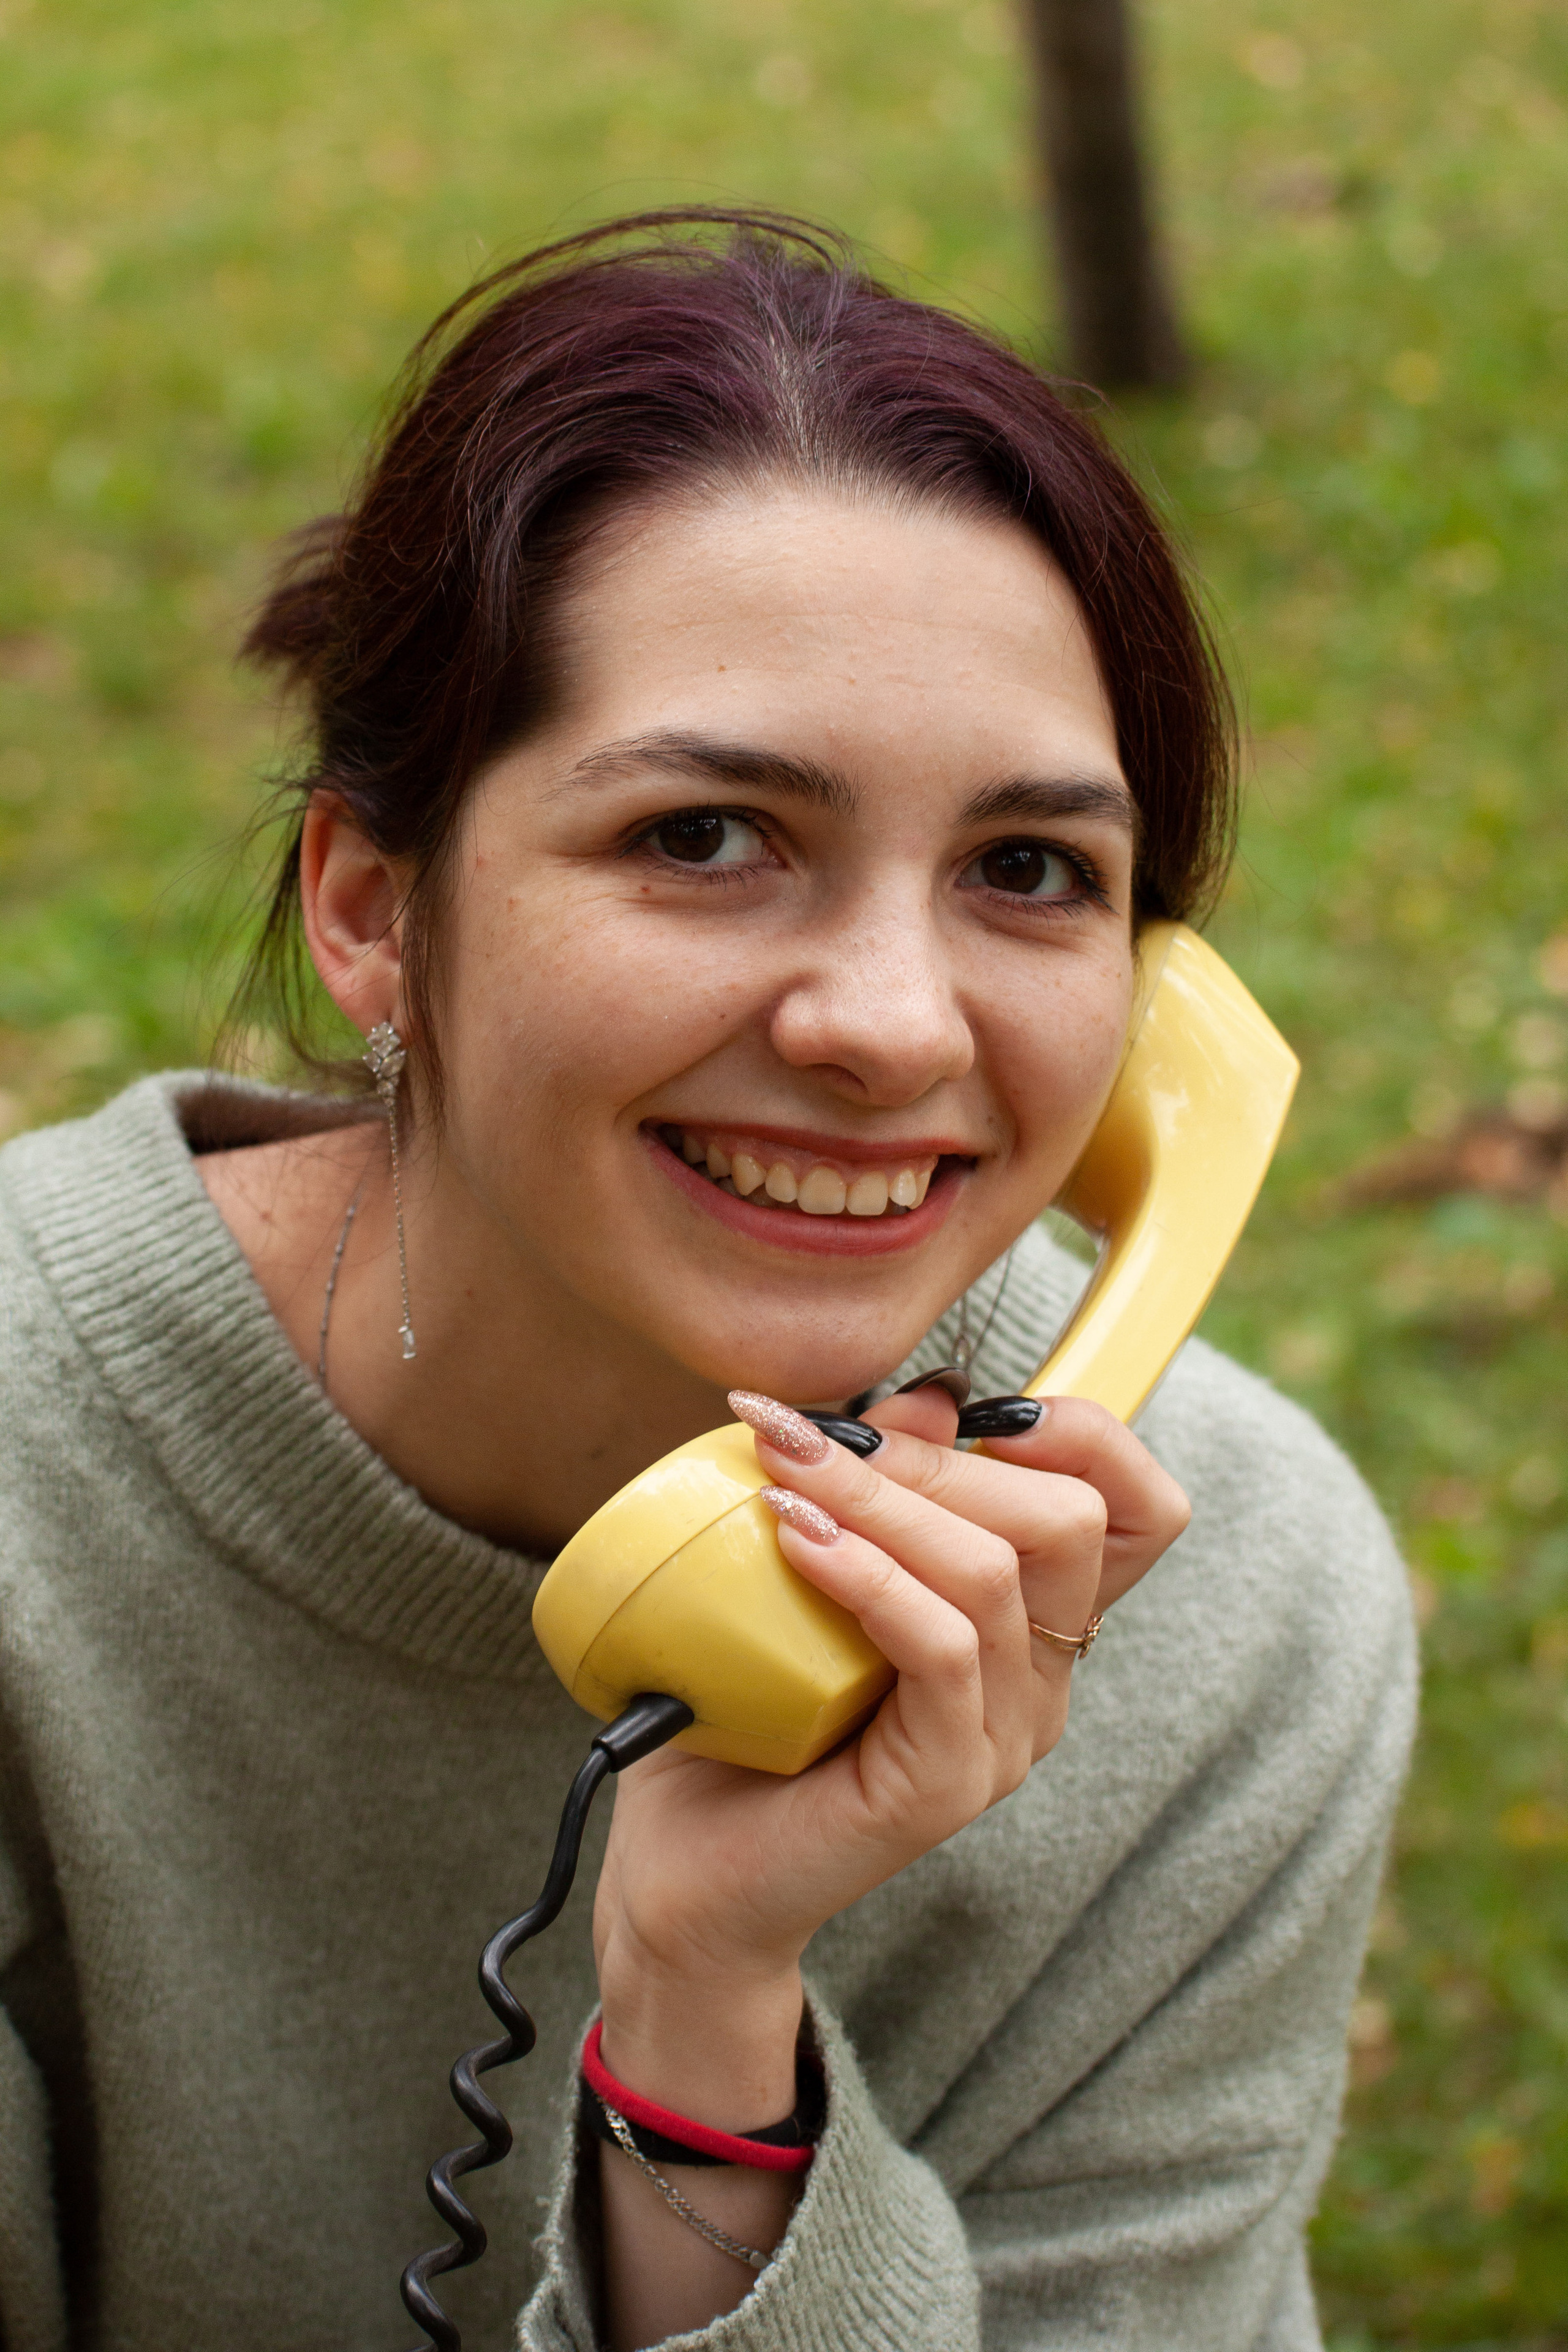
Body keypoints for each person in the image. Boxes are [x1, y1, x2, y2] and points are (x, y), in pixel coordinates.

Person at [0, 211, 1415, 2352]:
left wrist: (704, 2019)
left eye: (1030, 871)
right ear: (372, 910)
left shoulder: (1233, 1608)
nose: (895, 1028)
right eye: (704, 836)